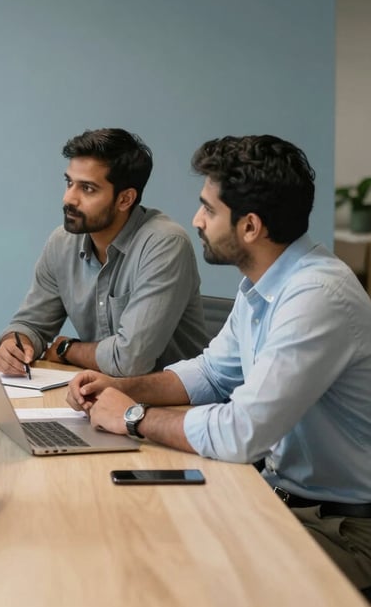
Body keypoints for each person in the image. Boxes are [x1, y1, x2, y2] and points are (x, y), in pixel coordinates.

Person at [67, 135, 371, 592]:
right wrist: (121, 387)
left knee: (176, 577)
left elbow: (241, 432)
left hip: (343, 530)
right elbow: (211, 373)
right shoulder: (264, 285)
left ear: (249, 226)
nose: (197, 220)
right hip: (278, 500)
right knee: (129, 534)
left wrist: (133, 417)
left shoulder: (317, 297)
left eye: (208, 209)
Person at [0, 128, 208, 377]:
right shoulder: (62, 243)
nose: (68, 199)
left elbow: (130, 360)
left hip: (170, 397)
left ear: (125, 199)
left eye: (87, 189)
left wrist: (66, 349)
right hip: (102, 391)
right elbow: (30, 324)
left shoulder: (165, 244)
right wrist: (15, 344)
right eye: (69, 183)